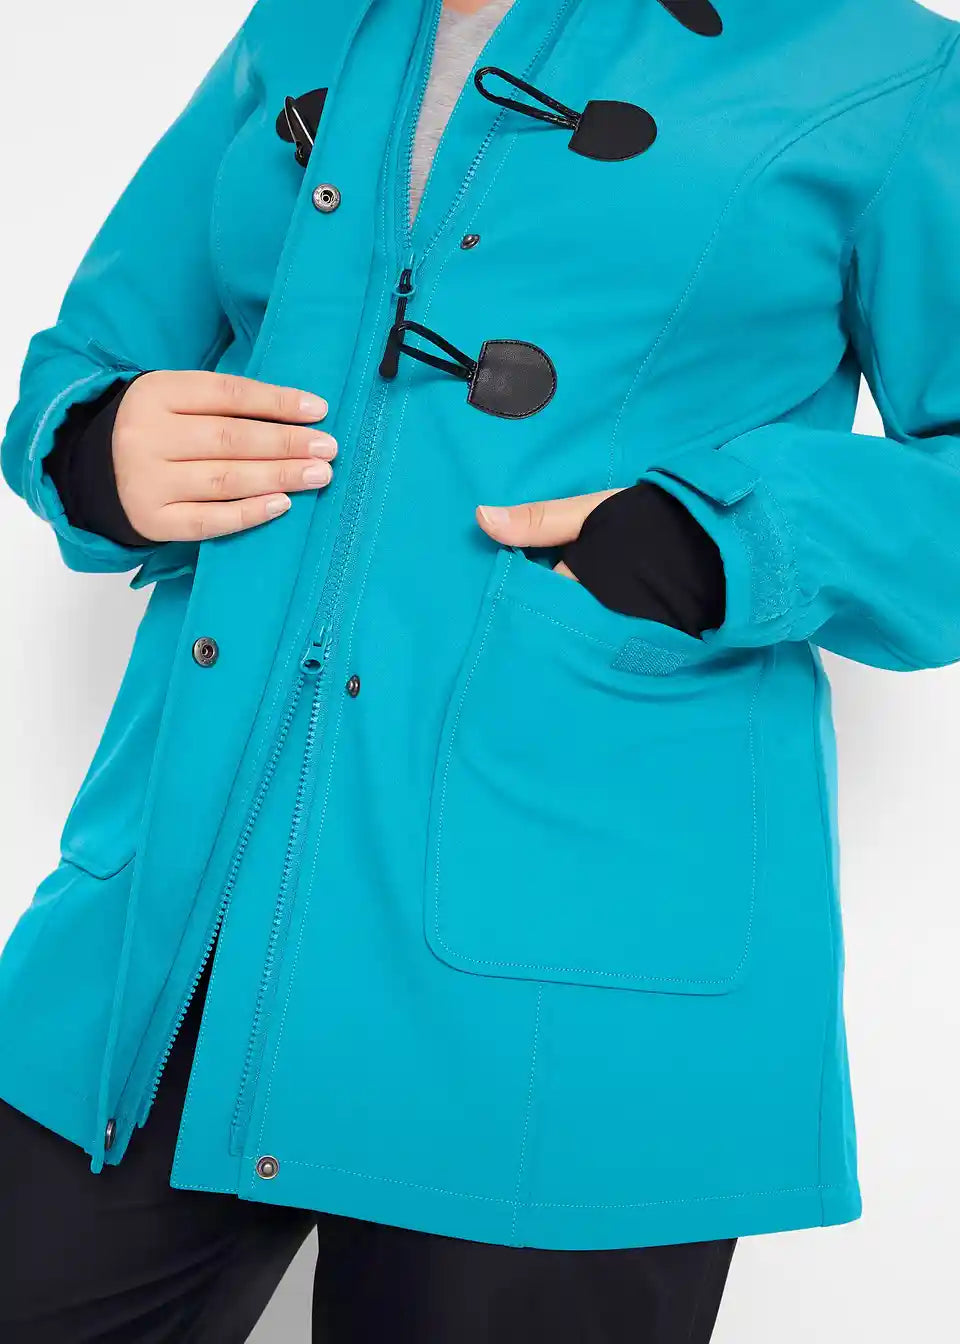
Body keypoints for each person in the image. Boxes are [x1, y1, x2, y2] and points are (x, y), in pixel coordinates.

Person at [1, 0, 959, 1338]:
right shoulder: (307, 24)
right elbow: (88, 360)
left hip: (577, 947)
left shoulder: (883, 65)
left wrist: (720, 541)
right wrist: (97, 443)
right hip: (174, 920)